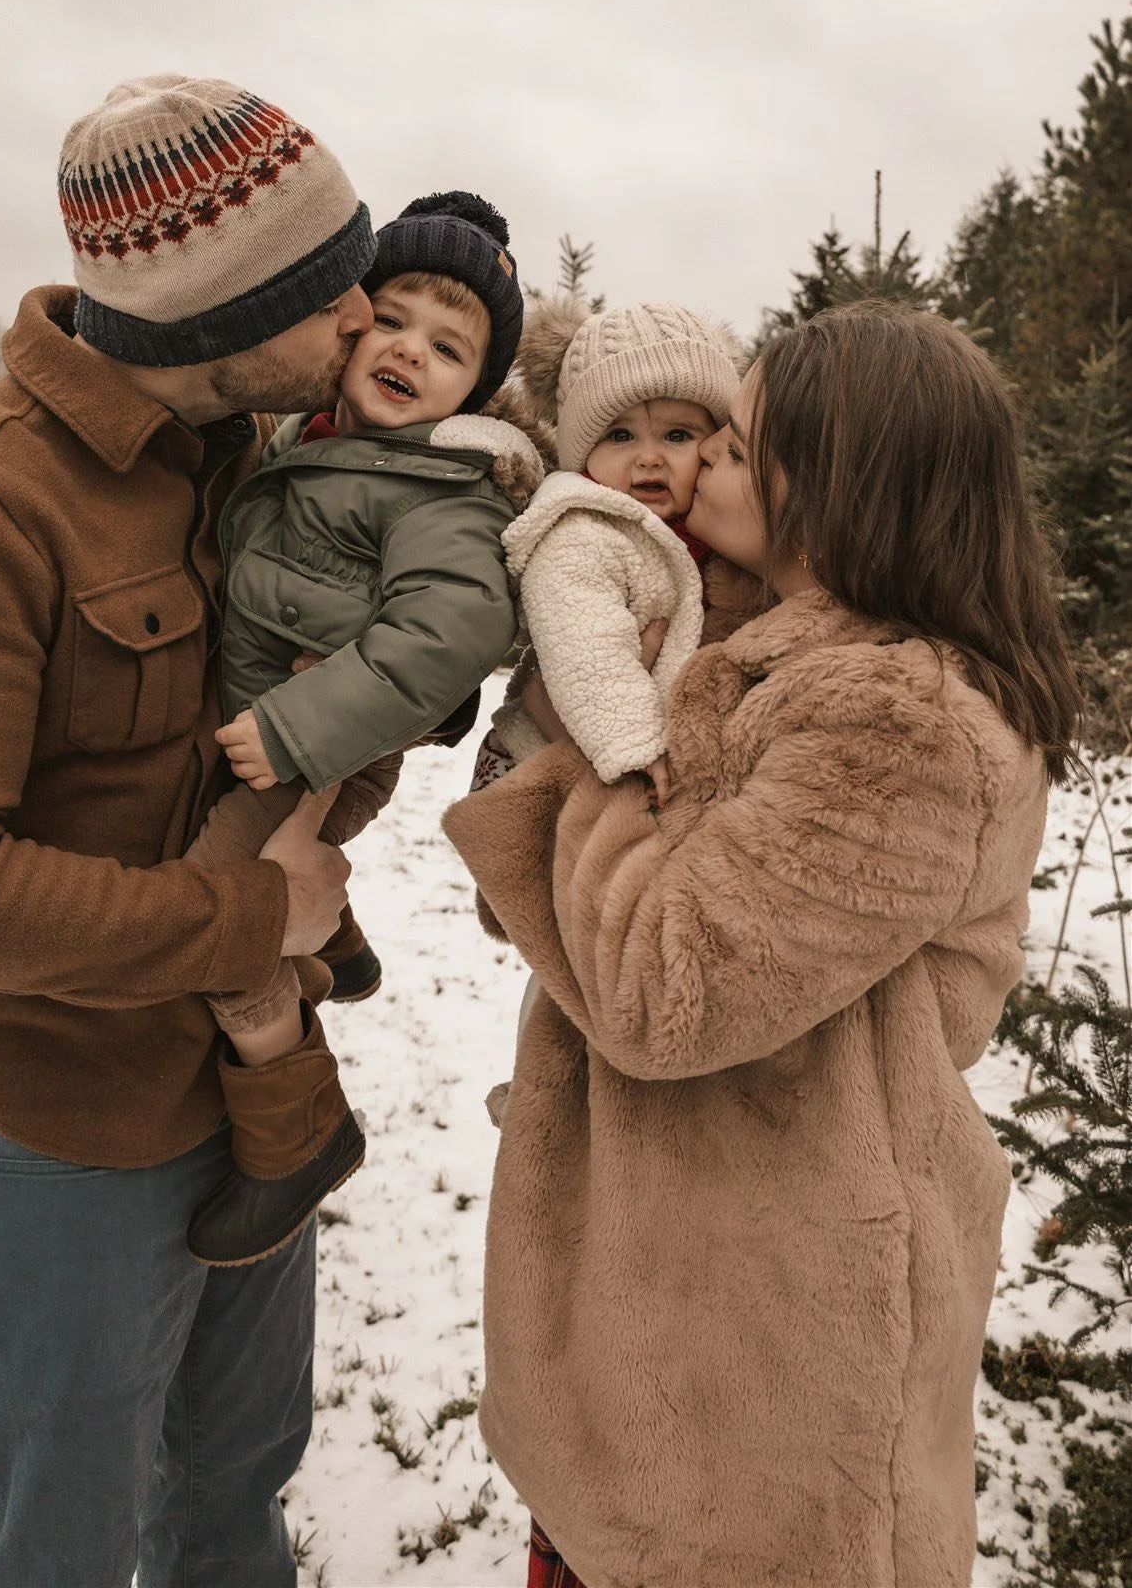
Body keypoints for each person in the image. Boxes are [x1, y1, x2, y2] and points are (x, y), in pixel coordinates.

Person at [0, 74, 392, 1588]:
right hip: (54, 1151)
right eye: (331, 286)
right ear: (216, 311)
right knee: (52, 1544)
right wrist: (247, 923)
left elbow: (268, 761)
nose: (365, 318)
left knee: (231, 1500)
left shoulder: (254, 467)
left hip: (245, 1104)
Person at [443, 300, 1083, 1588]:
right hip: (680, 1287)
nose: (695, 465)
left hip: (768, 1344)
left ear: (840, 481)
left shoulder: (896, 718)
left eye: (736, 443)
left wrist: (564, 769)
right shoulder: (768, 654)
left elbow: (659, 984)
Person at [184, 190, 542, 1267]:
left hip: (315, 750)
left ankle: (297, 1126)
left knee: (214, 918)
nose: (409, 352)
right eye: (393, 318)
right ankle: (336, 942)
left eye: (449, 346)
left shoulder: (444, 487)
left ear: (474, 388)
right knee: (245, 884)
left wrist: (299, 729)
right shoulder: (309, 436)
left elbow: (455, 629)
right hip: (271, 726)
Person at [474, 297, 742, 809]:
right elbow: (586, 644)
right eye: (620, 435)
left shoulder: (710, 534)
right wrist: (633, 741)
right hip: (541, 766)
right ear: (584, 455)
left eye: (677, 435)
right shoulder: (583, 530)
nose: (648, 456)